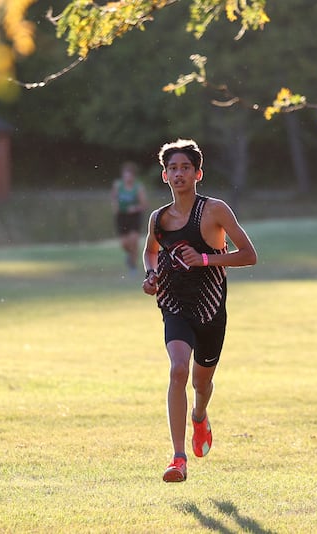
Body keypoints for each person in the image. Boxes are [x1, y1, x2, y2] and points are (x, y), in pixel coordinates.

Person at [141, 139, 257, 482]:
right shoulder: (159, 218)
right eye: (173, 168)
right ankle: (178, 458)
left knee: (200, 383)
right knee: (178, 370)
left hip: (210, 310)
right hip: (174, 305)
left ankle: (200, 415)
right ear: (165, 175)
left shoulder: (215, 210)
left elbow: (249, 255)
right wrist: (151, 276)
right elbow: (150, 252)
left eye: (185, 168)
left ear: (197, 173)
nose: (179, 174)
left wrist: (206, 258)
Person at [111, 161, 147, 273]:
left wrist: (135, 208)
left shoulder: (138, 187)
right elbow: (114, 198)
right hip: (122, 216)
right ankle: (129, 256)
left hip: (134, 217)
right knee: (124, 244)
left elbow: (144, 205)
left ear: (133, 176)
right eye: (125, 176)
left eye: (129, 176)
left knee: (134, 241)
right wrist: (115, 207)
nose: (127, 178)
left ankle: (133, 266)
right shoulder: (118, 185)